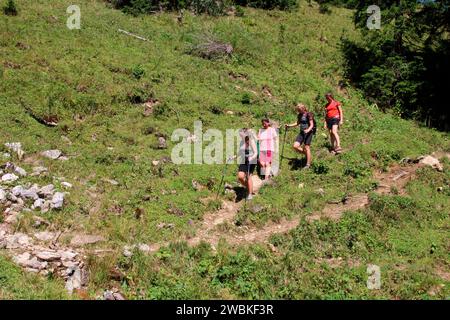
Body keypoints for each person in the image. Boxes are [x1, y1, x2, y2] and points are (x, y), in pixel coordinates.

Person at [285, 103, 315, 168]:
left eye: (299, 109)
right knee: (295, 146)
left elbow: (312, 124)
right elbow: (297, 123)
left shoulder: (309, 114)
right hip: (302, 132)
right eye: (298, 110)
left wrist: (308, 130)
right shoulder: (299, 115)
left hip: (309, 133)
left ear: (303, 108)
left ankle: (308, 164)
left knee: (307, 147)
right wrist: (289, 125)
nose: (298, 111)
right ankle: (307, 154)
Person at [237, 128, 258, 200]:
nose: (240, 136)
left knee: (248, 176)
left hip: (251, 160)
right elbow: (240, 151)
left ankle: (250, 194)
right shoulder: (241, 142)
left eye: (241, 134)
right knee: (240, 176)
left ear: (245, 134)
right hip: (244, 160)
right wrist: (234, 156)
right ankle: (249, 188)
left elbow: (256, 152)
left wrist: (251, 158)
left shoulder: (251, 140)